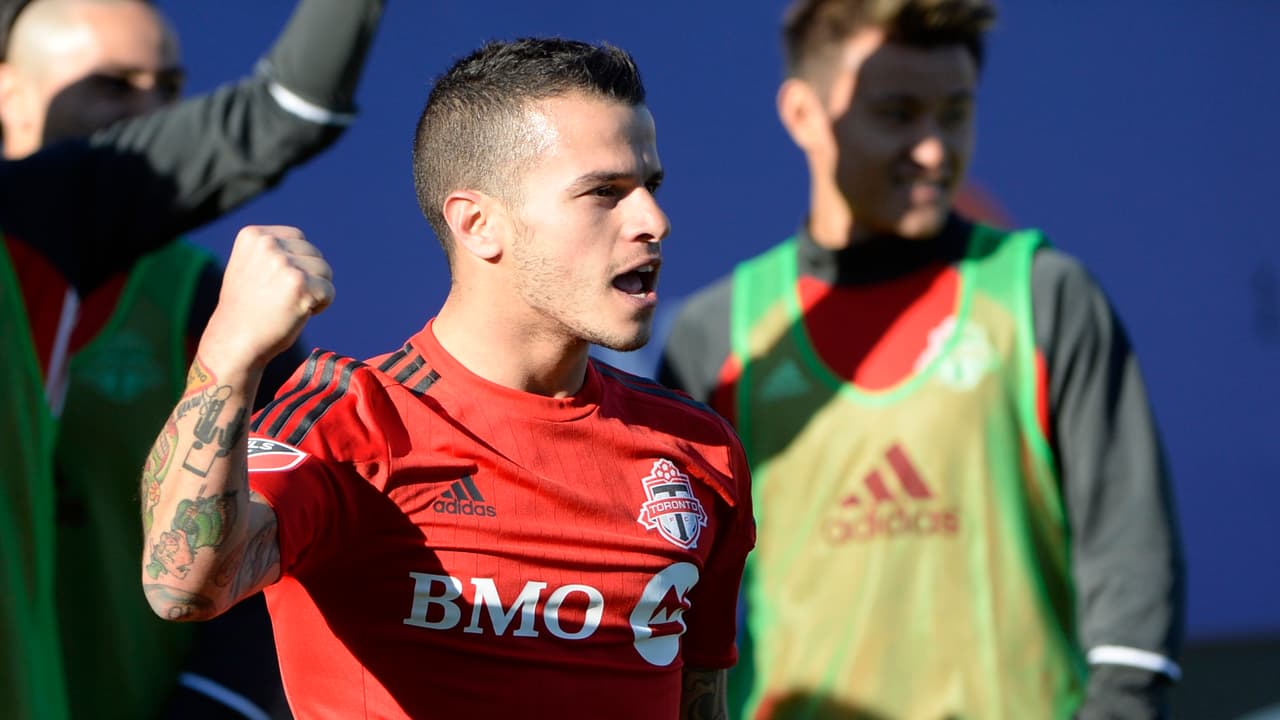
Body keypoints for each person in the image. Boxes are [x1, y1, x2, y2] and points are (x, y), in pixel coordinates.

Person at [137, 38, 756, 719]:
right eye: (604, 193)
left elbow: (701, 702)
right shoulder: (348, 423)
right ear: (478, 223)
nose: (654, 222)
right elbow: (181, 587)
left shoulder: (699, 450)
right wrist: (228, 356)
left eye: (650, 188)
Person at [658, 1, 1185, 718]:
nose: (935, 149)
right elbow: (673, 607)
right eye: (898, 114)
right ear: (804, 114)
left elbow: (1130, 560)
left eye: (955, 114)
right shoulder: (716, 336)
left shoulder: (1043, 294)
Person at [0, 0, 383, 716]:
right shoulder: (30, 243)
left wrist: (214, 706)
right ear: (9, 94)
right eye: (114, 85)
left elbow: (273, 545)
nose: (150, 114)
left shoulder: (202, 302)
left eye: (169, 89)